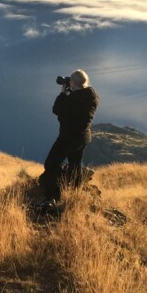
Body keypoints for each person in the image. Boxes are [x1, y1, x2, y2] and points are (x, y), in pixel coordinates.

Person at [39, 69, 99, 204]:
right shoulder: (92, 95)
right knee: (75, 165)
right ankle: (75, 193)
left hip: (68, 137)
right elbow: (76, 107)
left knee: (51, 163)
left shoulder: (72, 98)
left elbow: (57, 109)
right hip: (83, 137)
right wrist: (72, 91)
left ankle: (53, 196)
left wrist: (63, 93)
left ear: (73, 83)